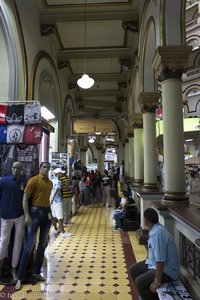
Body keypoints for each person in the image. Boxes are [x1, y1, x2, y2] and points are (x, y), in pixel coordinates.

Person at [15, 162, 53, 290]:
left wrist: (51, 215)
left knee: (43, 244)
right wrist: (27, 215)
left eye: (48, 168)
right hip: (35, 213)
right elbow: (25, 198)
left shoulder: (50, 183)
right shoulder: (33, 180)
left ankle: (36, 272)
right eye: (44, 167)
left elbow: (47, 199)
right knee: (30, 244)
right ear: (40, 168)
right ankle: (19, 277)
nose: (46, 169)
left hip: (46, 213)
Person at [129, 208, 180, 300]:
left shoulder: (158, 233)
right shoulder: (154, 229)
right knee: (133, 269)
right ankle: (146, 294)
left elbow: (160, 260)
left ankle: (149, 297)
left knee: (140, 281)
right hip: (153, 264)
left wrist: (157, 282)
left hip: (167, 270)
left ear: (146, 220)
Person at [0, 161, 26, 281]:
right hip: (6, 216)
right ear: (11, 168)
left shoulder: (24, 182)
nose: (15, 170)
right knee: (3, 242)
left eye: (18, 168)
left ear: (22, 170)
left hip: (20, 216)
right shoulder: (4, 181)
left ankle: (14, 268)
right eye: (14, 168)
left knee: (18, 242)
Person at [50, 168, 72, 236]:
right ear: (57, 174)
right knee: (60, 217)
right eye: (61, 173)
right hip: (57, 201)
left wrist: (51, 200)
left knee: (54, 216)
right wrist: (54, 198)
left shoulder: (52, 180)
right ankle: (63, 232)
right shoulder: (58, 181)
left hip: (52, 201)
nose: (62, 174)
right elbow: (57, 190)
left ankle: (56, 229)